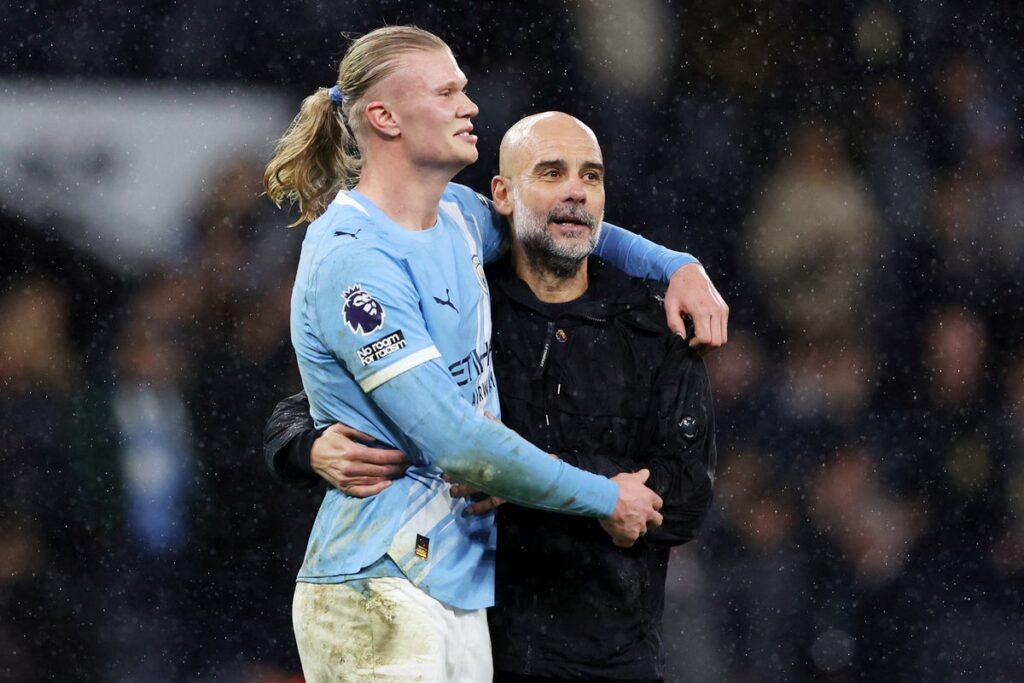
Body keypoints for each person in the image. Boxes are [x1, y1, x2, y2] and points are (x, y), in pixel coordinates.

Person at [262, 26, 726, 681]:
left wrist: (676, 264)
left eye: (465, 89)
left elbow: (559, 220)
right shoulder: (356, 261)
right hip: (379, 584)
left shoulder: (456, 217)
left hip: (459, 593)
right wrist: (603, 494)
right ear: (384, 117)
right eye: (447, 90)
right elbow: (458, 443)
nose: (469, 105)